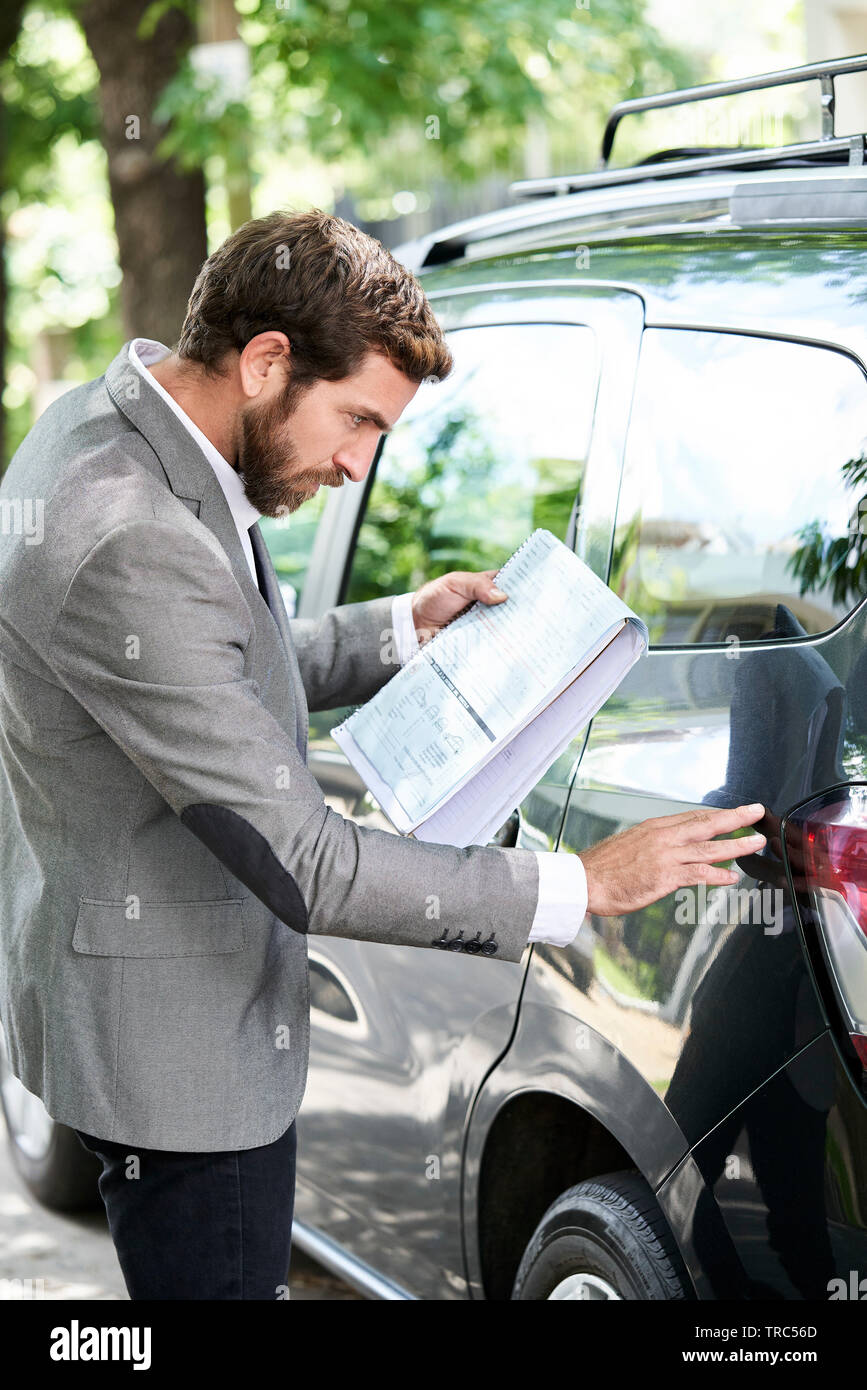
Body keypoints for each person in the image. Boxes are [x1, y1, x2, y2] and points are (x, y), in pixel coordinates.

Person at [0, 209, 766, 1299]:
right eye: (356, 419)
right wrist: (584, 881)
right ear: (266, 362)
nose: (357, 465)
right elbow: (306, 863)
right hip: (182, 1073)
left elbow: (201, 666)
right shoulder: (129, 530)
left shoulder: (112, 420)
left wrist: (401, 627)